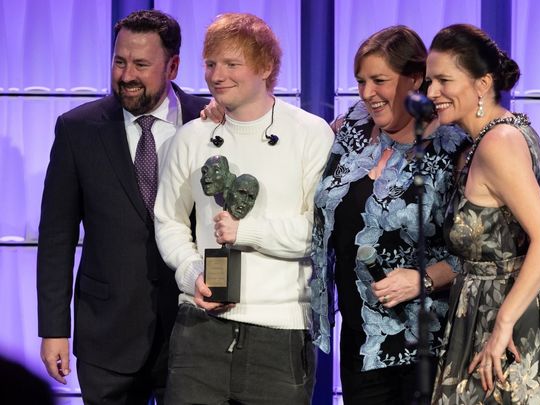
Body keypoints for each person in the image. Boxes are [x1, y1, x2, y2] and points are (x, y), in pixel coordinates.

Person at [154, 12, 334, 404]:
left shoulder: (309, 133)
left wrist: (247, 232)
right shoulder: (192, 137)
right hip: (198, 331)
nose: (217, 75)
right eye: (211, 64)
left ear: (265, 67)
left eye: (232, 64)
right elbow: (167, 218)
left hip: (280, 335)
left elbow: (318, 231)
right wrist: (190, 272)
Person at [36, 10, 208, 404]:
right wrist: (54, 329)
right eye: (119, 61)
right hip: (106, 335)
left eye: (141, 64)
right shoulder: (77, 128)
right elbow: (57, 237)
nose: (126, 74)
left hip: (193, 330)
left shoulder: (210, 120)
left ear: (173, 66)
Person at [309, 26, 466, 405]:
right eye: (361, 81)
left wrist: (424, 279)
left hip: (426, 343)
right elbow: (296, 140)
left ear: (415, 78)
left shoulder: (452, 147)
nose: (367, 93)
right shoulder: (352, 126)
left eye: (379, 81)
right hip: (361, 340)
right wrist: (225, 111)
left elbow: (482, 252)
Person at [426, 23, 540, 404]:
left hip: (507, 319)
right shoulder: (497, 134)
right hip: (487, 311)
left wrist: (503, 324)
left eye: (444, 80)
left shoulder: (500, 142)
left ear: (482, 84)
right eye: (430, 81)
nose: (431, 93)